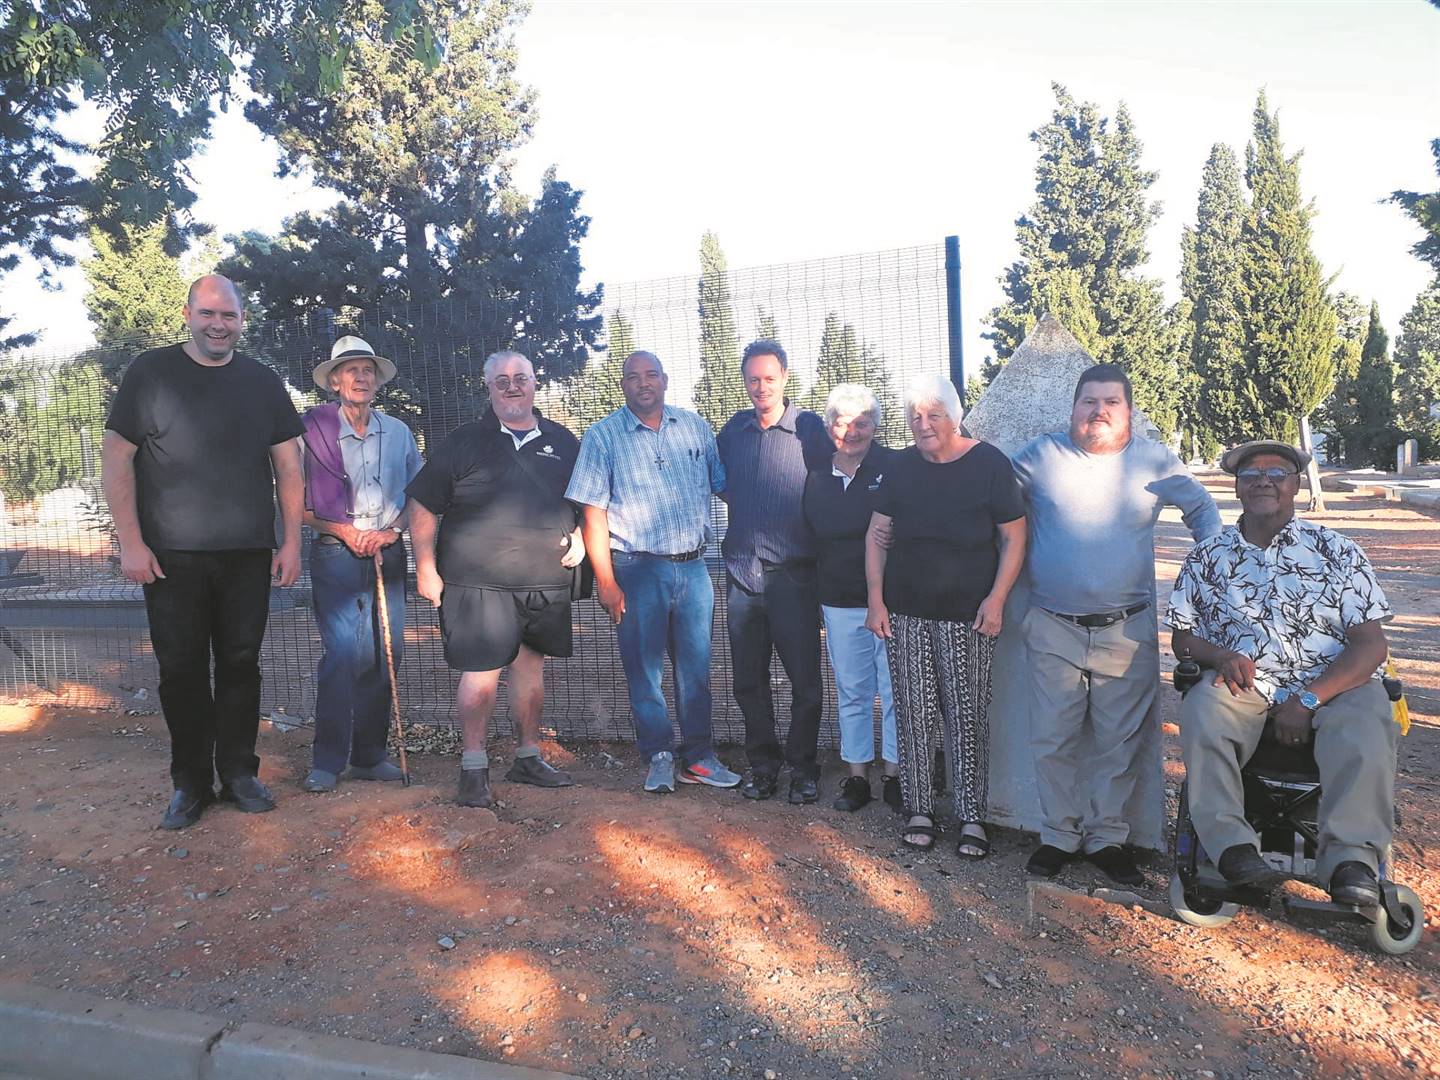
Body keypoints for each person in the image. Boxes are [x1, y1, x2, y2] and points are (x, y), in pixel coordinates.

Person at [102, 274, 305, 829]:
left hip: (247, 553)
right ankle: (189, 783)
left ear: (242, 320)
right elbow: (117, 457)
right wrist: (131, 542)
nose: (219, 325)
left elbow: (288, 465)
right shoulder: (150, 373)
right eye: (209, 313)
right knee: (181, 668)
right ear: (188, 315)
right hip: (171, 556)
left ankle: (239, 773)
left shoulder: (262, 380)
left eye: (229, 315)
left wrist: (291, 540)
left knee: (241, 664)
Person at [1012, 364, 1221, 885]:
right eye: (1089, 401)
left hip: (1126, 631)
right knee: (1052, 739)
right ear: (1073, 408)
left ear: (1129, 411)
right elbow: (991, 506)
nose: (1099, 411)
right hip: (1052, 626)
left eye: (1111, 402)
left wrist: (1216, 571)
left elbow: (1202, 511)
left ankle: (1107, 838)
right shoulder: (1040, 456)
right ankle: (1059, 835)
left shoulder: (1154, 460)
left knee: (1118, 743)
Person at [1168, 440, 1396, 905]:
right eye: (1251, 474)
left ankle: (1351, 860)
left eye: (1276, 473)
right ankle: (1231, 848)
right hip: (1249, 683)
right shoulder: (1208, 557)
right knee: (1204, 706)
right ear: (1237, 487)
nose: (1263, 481)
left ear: (1295, 486)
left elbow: (1371, 645)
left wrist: (1308, 699)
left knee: (1368, 717)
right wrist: (1219, 656)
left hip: (1331, 684)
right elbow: (1183, 638)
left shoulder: (1337, 552)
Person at [405, 350, 583, 809]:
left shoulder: (563, 441)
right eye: (501, 381)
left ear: (535, 383)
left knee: (530, 671)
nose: (512, 387)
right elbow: (422, 503)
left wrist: (582, 535)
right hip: (476, 582)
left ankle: (528, 758)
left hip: (544, 581)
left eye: (520, 378)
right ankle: (473, 767)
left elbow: (587, 499)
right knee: (481, 676)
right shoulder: (464, 441)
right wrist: (424, 566)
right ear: (488, 388)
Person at [864, 375, 1026, 858]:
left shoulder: (989, 464)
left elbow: (1014, 537)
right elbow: (877, 535)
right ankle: (919, 809)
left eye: (934, 414)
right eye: (915, 416)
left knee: (967, 715)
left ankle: (972, 816)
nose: (923, 424)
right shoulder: (900, 467)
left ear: (954, 418)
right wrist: (876, 600)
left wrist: (997, 598)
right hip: (906, 614)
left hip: (969, 616)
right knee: (913, 714)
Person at [566, 349, 741, 794]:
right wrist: (606, 582)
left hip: (694, 569)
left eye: (651, 375)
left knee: (696, 670)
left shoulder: (695, 427)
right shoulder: (602, 436)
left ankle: (698, 758)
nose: (643, 383)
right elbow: (593, 514)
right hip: (637, 570)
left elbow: (725, 486)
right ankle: (659, 756)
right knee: (644, 671)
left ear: (665, 380)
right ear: (622, 384)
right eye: (633, 376)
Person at [299, 336, 423, 793]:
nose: (361, 377)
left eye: (367, 370)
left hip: (388, 551)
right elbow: (294, 502)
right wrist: (343, 531)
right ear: (334, 381)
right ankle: (328, 761)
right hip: (336, 552)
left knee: (385, 654)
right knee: (342, 655)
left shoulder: (399, 432)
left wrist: (395, 531)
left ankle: (369, 756)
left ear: (377, 381)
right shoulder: (312, 433)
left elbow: (419, 494)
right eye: (351, 370)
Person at [716, 339, 832, 803]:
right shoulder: (732, 432)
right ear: (744, 381)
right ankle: (762, 766)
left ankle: (803, 768)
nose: (761, 387)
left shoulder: (810, 429)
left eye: (769, 378)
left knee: (805, 682)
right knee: (748, 682)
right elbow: (722, 485)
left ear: (784, 377)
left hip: (794, 576)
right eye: (753, 379)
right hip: (743, 576)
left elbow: (832, 483)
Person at [801, 383, 901, 813]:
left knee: (896, 690)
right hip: (839, 600)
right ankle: (858, 776)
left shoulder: (895, 466)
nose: (852, 432)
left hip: (893, 600)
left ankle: (896, 775)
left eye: (862, 423)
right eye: (843, 423)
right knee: (853, 691)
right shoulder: (816, 475)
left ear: (875, 425)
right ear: (828, 427)